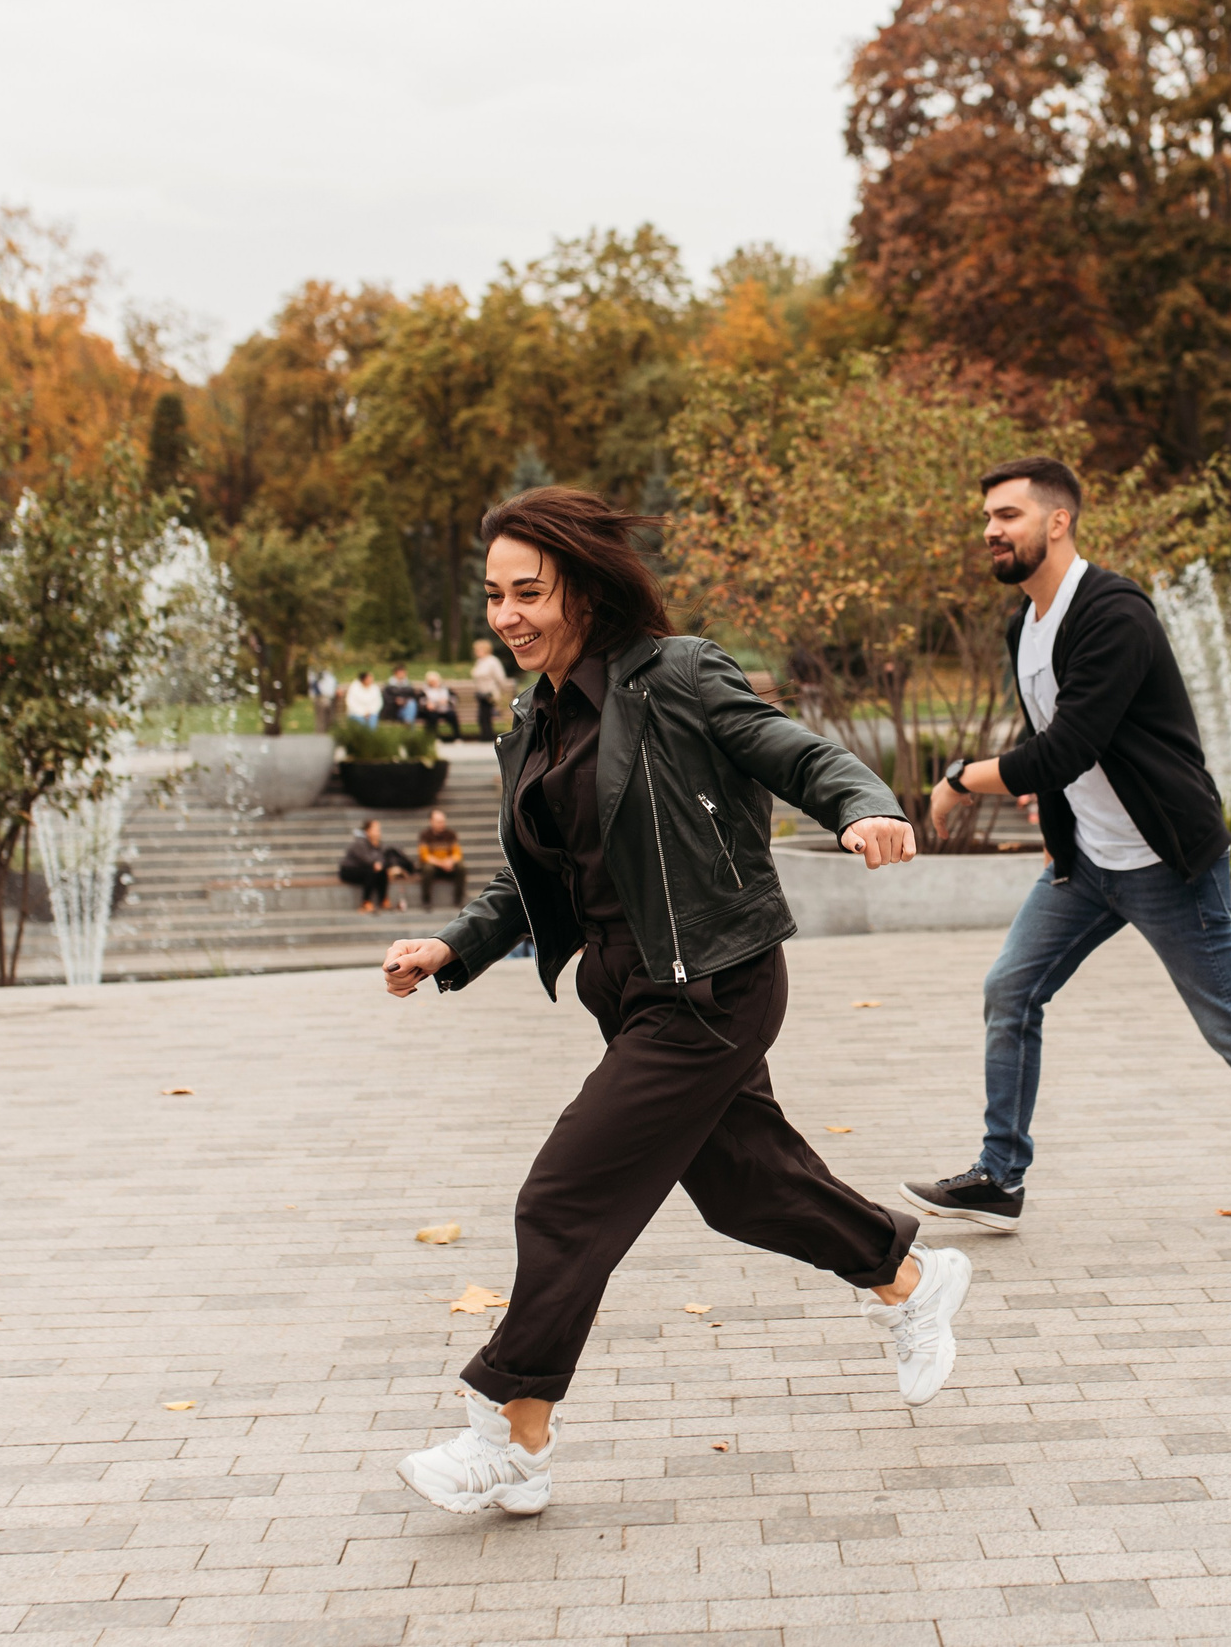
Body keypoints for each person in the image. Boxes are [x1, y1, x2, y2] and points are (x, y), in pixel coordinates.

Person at [379, 486, 966, 1518]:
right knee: (744, 1187)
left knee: (563, 1196)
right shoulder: (532, 718)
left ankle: (511, 1433)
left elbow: (793, 750)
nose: (508, 614)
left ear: (585, 589)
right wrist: (452, 943)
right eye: (494, 596)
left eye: (530, 592)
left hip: (712, 985)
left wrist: (867, 803)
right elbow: (536, 876)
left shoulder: (674, 674)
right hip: (631, 988)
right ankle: (909, 1278)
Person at [903, 456, 1231, 1257]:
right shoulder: (1022, 624)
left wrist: (963, 778)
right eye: (988, 518)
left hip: (1167, 862)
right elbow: (1054, 741)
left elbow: (1067, 746)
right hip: (1088, 867)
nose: (991, 531)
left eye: (1008, 515)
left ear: (1058, 521)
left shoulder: (1112, 612)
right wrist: (1048, 801)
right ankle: (1000, 1177)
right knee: (1011, 987)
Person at [338, 819, 408, 913]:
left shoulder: (378, 844)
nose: (378, 832)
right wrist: (376, 864)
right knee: (371, 870)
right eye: (376, 829)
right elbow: (365, 859)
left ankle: (383, 900)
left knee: (382, 871)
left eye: (379, 829)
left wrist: (382, 866)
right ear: (368, 831)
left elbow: (383, 859)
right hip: (349, 870)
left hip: (366, 869)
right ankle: (366, 902)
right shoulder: (360, 842)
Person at [413, 808, 466, 906]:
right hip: (434, 866)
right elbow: (425, 856)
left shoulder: (451, 834)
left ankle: (459, 899)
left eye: (443, 822)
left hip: (448, 865)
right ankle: (426, 899)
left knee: (461, 867)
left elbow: (457, 853)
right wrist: (442, 863)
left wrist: (450, 861)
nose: (442, 824)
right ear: (431, 822)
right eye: (439, 822)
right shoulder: (425, 835)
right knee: (427, 869)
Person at [470, 638, 508, 740]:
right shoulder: (479, 662)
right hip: (481, 693)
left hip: (491, 692)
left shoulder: (492, 661)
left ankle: (488, 736)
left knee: (487, 715)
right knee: (482, 716)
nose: (476, 652)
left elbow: (500, 677)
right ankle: (485, 735)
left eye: (478, 650)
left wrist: (503, 691)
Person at [419, 671, 461, 741]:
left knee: (452, 715)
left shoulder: (445, 689)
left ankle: (457, 737)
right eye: (431, 681)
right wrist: (427, 704)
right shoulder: (425, 690)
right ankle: (435, 737)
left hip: (445, 709)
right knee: (432, 716)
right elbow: (421, 701)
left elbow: (454, 699)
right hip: (433, 710)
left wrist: (447, 701)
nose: (434, 683)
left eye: (435, 681)